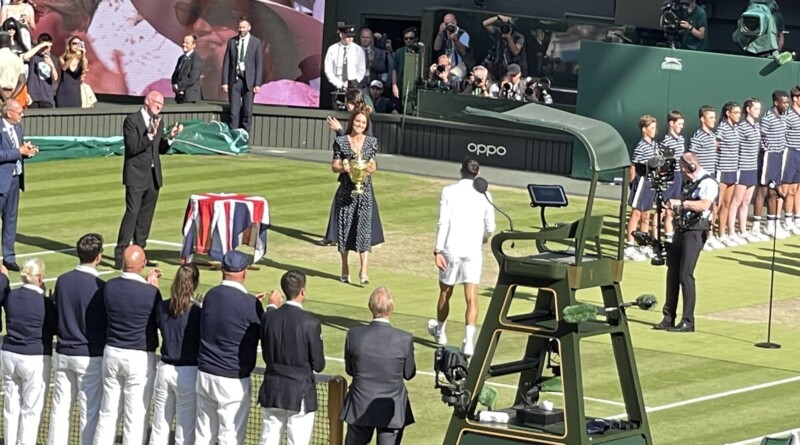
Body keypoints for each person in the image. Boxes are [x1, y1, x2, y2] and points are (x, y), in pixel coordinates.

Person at [92, 245, 162, 445]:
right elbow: (156, 319)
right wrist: (152, 287)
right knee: (135, 416)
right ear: (143, 263)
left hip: (112, 353)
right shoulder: (150, 293)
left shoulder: (110, 286)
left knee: (108, 412)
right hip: (137, 357)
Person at [195, 250, 265, 445]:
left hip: (205, 375)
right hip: (232, 380)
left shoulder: (211, 295)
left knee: (203, 434)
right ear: (244, 273)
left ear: (223, 271)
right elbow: (260, 331)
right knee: (230, 437)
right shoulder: (249, 304)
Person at [428, 157, 496, 357]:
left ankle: (440, 332)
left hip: (451, 249)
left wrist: (438, 250)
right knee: (471, 296)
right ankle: (468, 343)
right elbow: (490, 226)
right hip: (472, 250)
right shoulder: (485, 194)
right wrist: (483, 238)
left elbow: (443, 223)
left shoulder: (448, 191)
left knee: (445, 293)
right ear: (477, 173)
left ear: (461, 171)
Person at [47, 233, 107, 445]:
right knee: (89, 411)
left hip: (64, 353)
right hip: (89, 357)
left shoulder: (62, 281)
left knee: (59, 409)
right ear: (98, 257)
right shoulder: (101, 287)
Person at [114, 91, 183, 270]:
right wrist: (149, 135)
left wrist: (170, 137)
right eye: (157, 103)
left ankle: (139, 254)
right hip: (136, 176)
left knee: (145, 217)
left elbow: (159, 149)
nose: (160, 107)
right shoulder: (132, 121)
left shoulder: (158, 123)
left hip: (153, 177)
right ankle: (121, 255)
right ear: (147, 101)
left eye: (161, 104)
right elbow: (133, 147)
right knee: (132, 214)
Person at [258, 270, 325, 445]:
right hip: (299, 392)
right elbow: (318, 364)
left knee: (268, 439)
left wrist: (271, 306)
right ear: (303, 291)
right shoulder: (310, 323)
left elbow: (268, 320)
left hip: (273, 389)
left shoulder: (269, 318)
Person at [342, 287, 415, 445]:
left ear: (370, 306)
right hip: (391, 407)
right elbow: (409, 373)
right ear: (392, 307)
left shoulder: (354, 335)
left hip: (360, 404)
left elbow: (350, 370)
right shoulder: (404, 339)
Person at [655, 152, 719, 332]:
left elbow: (704, 205)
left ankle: (688, 321)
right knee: (672, 272)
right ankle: (668, 317)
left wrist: (681, 203)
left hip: (696, 231)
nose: (680, 171)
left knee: (686, 274)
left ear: (690, 167)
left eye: (682, 167)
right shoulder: (688, 182)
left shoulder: (708, 183)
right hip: (682, 229)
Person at [1, 258, 56, 445]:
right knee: (30, 410)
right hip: (34, 359)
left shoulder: (11, 296)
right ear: (40, 277)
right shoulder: (46, 304)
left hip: (9, 356)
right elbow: (54, 328)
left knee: (10, 407)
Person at [150, 264, 202, 445]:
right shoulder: (198, 312)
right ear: (195, 283)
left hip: (164, 370)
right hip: (188, 373)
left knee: (159, 425)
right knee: (185, 426)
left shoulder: (163, 307)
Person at [331, 111, 383, 284]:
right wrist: (344, 168)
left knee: (364, 230)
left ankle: (364, 271)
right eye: (357, 121)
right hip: (346, 190)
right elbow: (334, 166)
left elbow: (374, 164)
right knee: (344, 229)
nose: (359, 125)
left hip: (365, 192)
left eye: (363, 123)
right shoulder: (341, 142)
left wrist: (370, 168)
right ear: (352, 121)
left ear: (366, 125)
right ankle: (345, 267)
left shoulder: (371, 143)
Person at [0, 98, 37, 272]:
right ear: (9, 113)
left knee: (10, 221)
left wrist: (27, 150)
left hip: (15, 180)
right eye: (19, 112)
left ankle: (9, 257)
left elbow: (19, 149)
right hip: (1, 182)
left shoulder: (18, 128)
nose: (22, 114)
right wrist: (18, 152)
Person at [688, 105, 723, 250]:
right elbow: (691, 159)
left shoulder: (712, 135)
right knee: (702, 208)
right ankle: (701, 236)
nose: (714, 120)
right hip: (701, 179)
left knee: (713, 207)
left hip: (712, 176)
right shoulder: (698, 136)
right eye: (711, 118)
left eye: (715, 117)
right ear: (702, 119)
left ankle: (710, 236)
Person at [624, 115, 658, 262]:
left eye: (655, 128)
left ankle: (643, 244)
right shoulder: (641, 146)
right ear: (644, 129)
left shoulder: (654, 145)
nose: (654, 131)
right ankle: (629, 247)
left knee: (646, 215)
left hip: (651, 183)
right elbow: (633, 166)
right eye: (652, 128)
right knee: (636, 214)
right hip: (641, 182)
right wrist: (632, 184)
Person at [731, 98, 766, 243]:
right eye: (755, 109)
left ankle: (743, 230)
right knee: (736, 201)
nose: (758, 111)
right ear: (748, 110)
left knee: (746, 201)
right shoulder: (741, 127)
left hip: (753, 167)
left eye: (759, 109)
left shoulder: (757, 127)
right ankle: (731, 231)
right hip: (742, 167)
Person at [222, 16, 263, 134]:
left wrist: (257, 83)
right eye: (240, 27)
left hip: (249, 82)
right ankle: (233, 136)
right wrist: (225, 82)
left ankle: (244, 136)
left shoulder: (256, 43)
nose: (241, 29)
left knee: (247, 111)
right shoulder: (232, 41)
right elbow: (227, 62)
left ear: (249, 28)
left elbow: (259, 64)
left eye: (244, 27)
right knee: (234, 111)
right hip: (235, 80)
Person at [759, 90, 790, 239]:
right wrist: (767, 150)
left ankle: (772, 224)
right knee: (764, 191)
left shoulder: (783, 117)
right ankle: (759, 227)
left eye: (787, 102)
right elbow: (760, 136)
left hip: (779, 156)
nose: (786, 105)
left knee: (775, 191)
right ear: (776, 103)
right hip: (769, 156)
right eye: (784, 102)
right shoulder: (768, 118)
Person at [716, 102, 742, 247]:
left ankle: (721, 234)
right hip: (722, 169)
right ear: (728, 113)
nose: (738, 115)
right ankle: (708, 235)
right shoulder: (722, 128)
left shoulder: (736, 128)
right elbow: (716, 146)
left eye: (739, 112)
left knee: (726, 203)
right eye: (736, 112)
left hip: (733, 169)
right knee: (716, 205)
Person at [660, 110, 686, 243]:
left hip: (678, 176)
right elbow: (663, 164)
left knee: (674, 208)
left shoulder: (681, 139)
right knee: (664, 208)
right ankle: (657, 236)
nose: (681, 126)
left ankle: (670, 235)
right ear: (671, 123)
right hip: (669, 176)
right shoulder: (666, 141)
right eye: (679, 124)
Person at [324, 22, 366, 102]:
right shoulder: (332, 49)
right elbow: (328, 69)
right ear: (341, 35)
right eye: (348, 36)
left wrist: (352, 83)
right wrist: (339, 84)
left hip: (353, 87)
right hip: (337, 86)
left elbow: (361, 70)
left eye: (352, 36)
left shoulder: (358, 50)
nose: (350, 39)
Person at [482, 14, 527, 82]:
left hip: (513, 67)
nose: (506, 28)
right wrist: (498, 17)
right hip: (498, 65)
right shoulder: (500, 32)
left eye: (508, 26)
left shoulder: (519, 37)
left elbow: (516, 51)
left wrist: (509, 38)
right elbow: (485, 24)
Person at [781, 85, 800, 235]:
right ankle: (786, 220)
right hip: (790, 154)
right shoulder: (787, 115)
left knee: (796, 189)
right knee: (786, 189)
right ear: (795, 98)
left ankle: (796, 218)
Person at [26, 33, 59, 108]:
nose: (45, 49)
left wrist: (51, 64)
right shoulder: (33, 57)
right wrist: (40, 46)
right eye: (43, 46)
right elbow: (25, 56)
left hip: (47, 96)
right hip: (33, 96)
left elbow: (55, 78)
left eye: (47, 47)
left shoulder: (53, 59)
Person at [55, 35, 87, 107]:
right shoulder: (62, 58)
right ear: (69, 45)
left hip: (75, 93)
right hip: (63, 92)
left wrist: (83, 55)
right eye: (74, 43)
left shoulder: (82, 60)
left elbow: (84, 69)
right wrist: (74, 56)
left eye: (78, 44)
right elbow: (64, 67)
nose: (76, 46)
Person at [171, 33, 202, 104]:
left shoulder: (196, 60)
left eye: (187, 43)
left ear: (194, 45)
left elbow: (192, 79)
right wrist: (174, 86)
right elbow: (176, 74)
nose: (184, 44)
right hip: (179, 97)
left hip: (190, 98)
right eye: (184, 42)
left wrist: (179, 86)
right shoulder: (181, 58)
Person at [391, 26, 418, 100]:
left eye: (411, 38)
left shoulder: (420, 52)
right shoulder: (399, 52)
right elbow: (394, 69)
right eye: (406, 39)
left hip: (415, 86)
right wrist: (394, 85)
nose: (408, 40)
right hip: (401, 85)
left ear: (416, 39)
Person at [0, 32, 26, 104]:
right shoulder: (17, 59)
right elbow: (22, 81)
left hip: (1, 96)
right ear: (9, 42)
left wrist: (4, 99)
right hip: (12, 95)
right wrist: (11, 98)